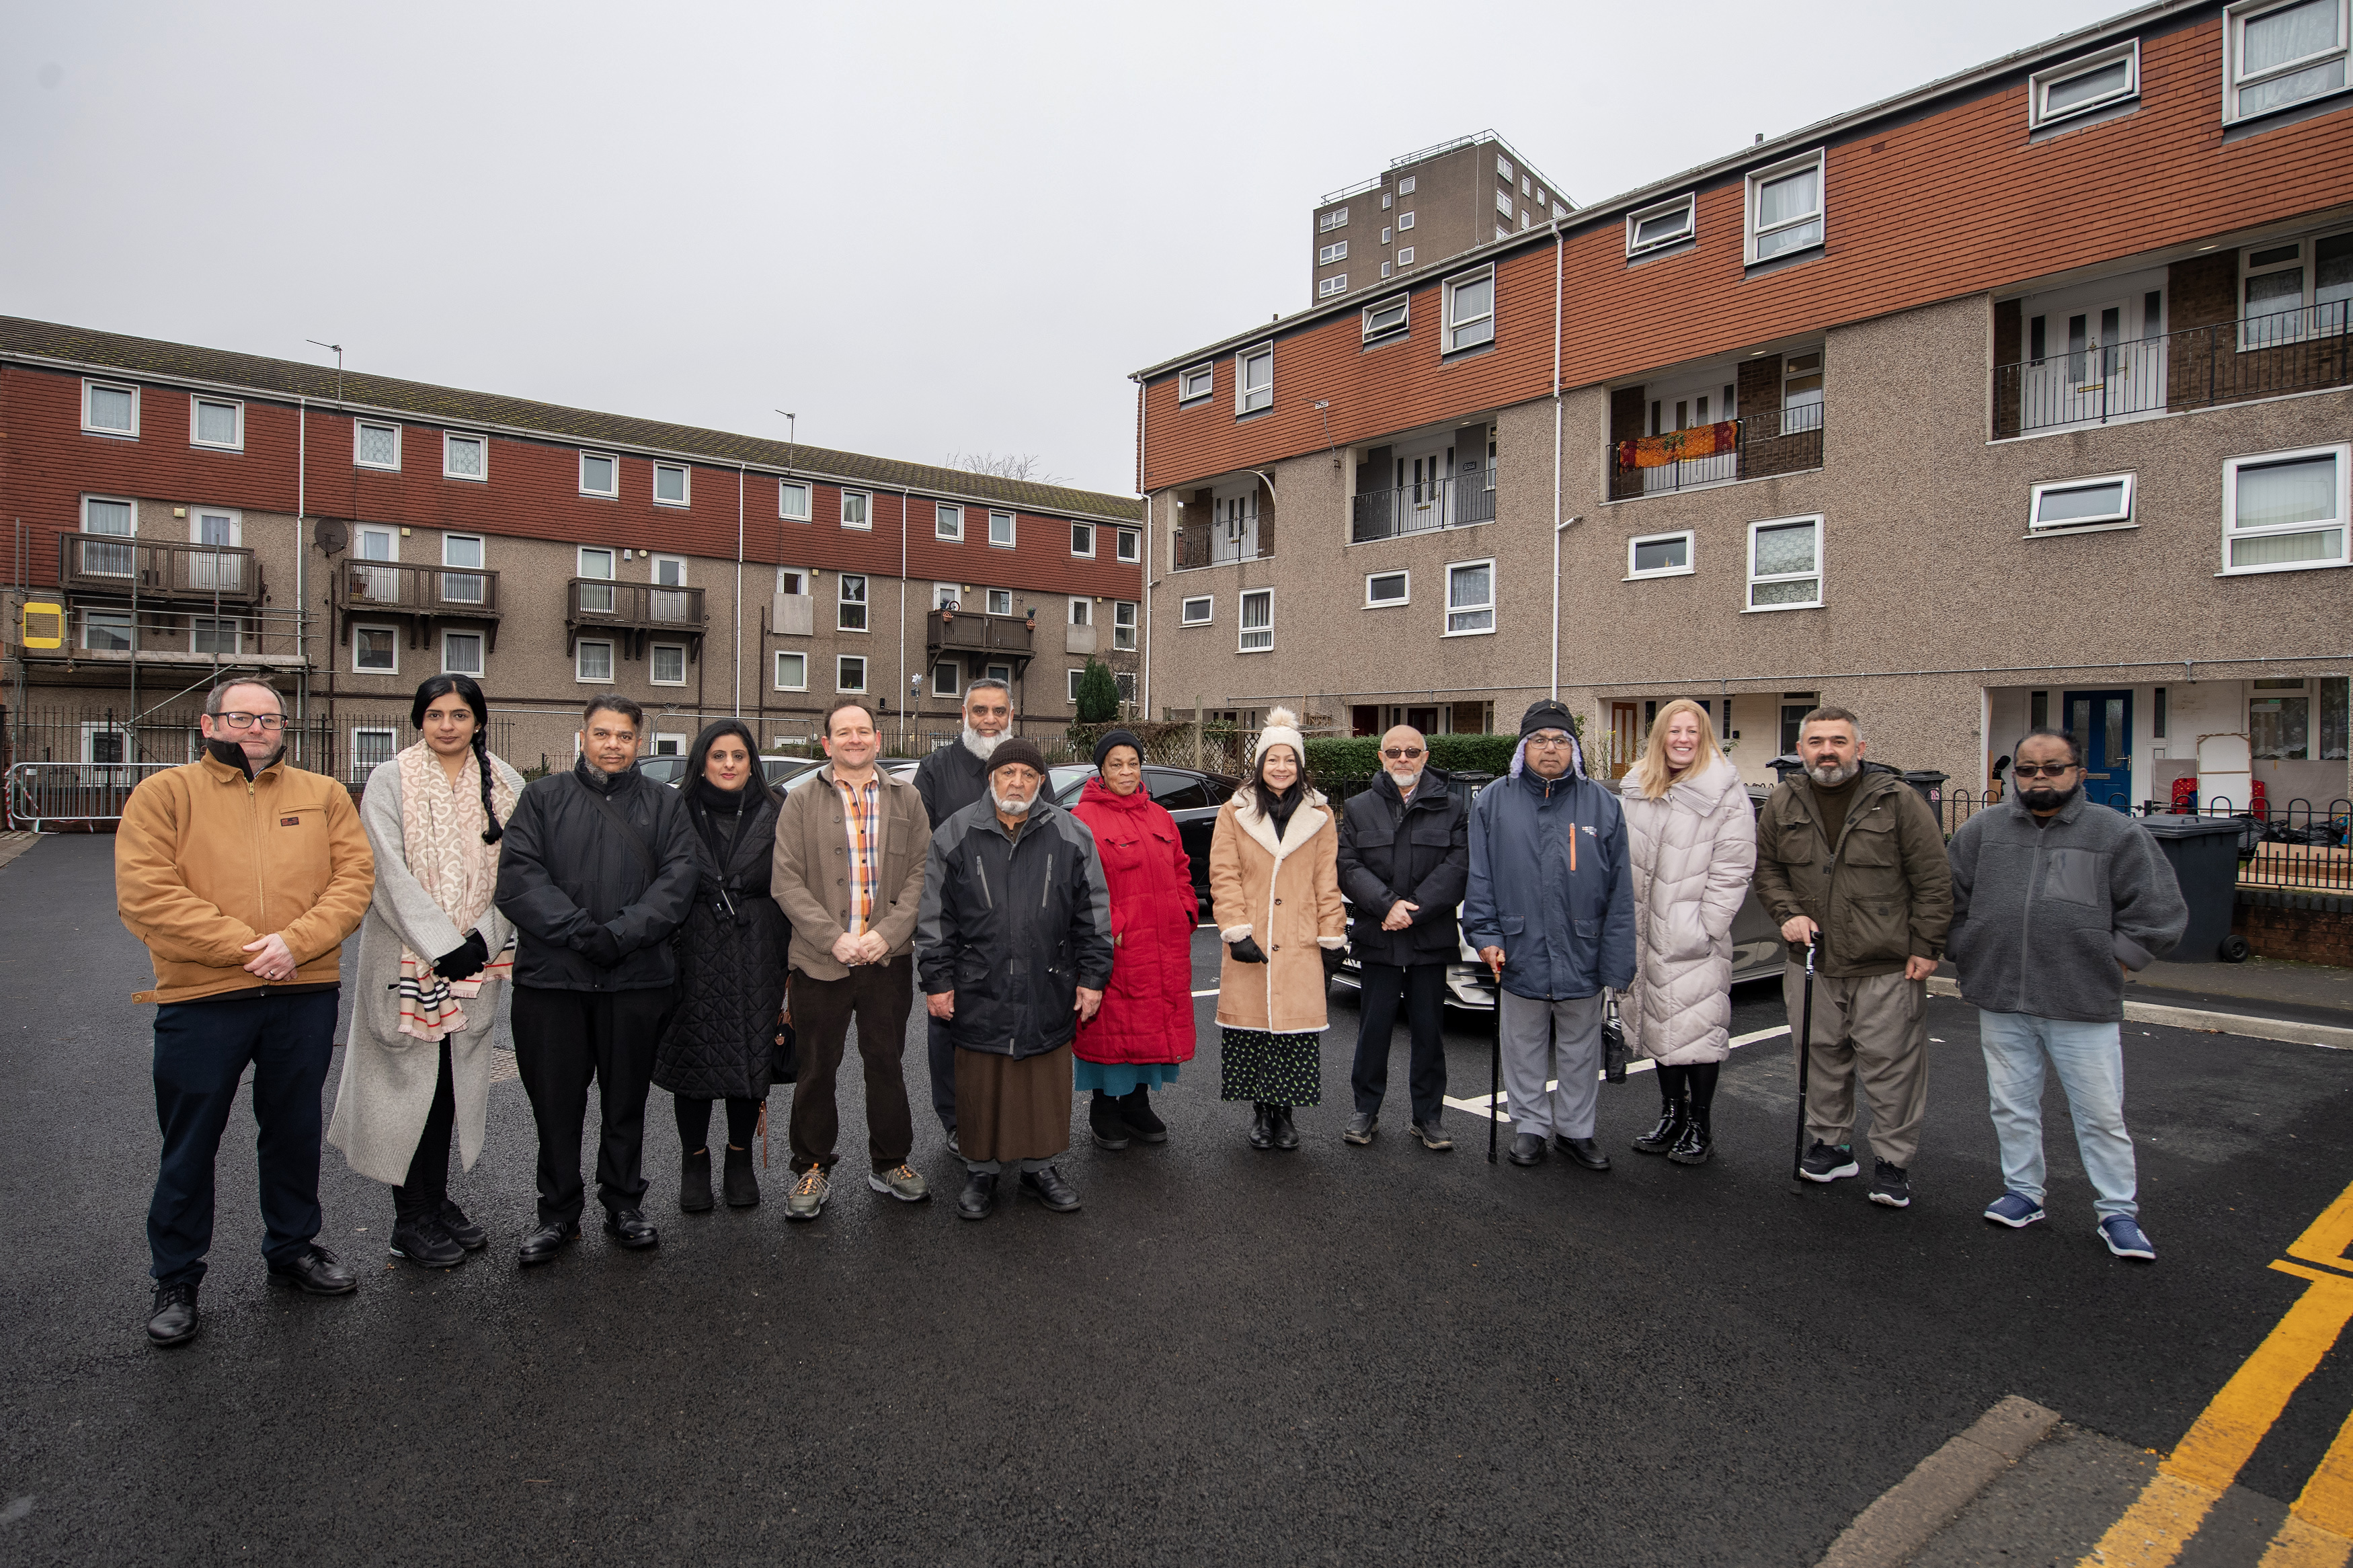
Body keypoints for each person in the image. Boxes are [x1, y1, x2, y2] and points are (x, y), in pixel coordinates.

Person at [116, 677, 374, 1348]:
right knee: (190, 1140)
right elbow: (147, 893)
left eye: (269, 718)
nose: (257, 727)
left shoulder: (323, 795)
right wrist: (248, 949)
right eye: (241, 716)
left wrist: (295, 944)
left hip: (302, 990)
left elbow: (353, 881)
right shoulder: (164, 795)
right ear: (208, 725)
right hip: (203, 997)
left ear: (284, 727)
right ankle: (177, 1276)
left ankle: (293, 1247)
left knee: (293, 1129)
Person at [1947, 728, 2186, 1260]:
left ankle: (2117, 1211)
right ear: (2014, 775)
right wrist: (1965, 946)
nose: (2040, 778)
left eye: (2053, 767)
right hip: (2001, 996)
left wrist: (2117, 959)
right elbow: (1949, 897)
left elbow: (2159, 911)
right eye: (2027, 769)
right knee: (2011, 1105)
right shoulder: (1983, 830)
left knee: (2099, 1114)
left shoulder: (2115, 833)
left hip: (2081, 1001)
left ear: (2078, 772)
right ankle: (2023, 1193)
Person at [327, 674, 523, 1270]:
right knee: (405, 1088)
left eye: (459, 714)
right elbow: (384, 870)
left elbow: (519, 870)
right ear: (419, 720)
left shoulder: (507, 783)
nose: (447, 725)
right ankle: (409, 1218)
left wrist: (483, 938)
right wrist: (442, 944)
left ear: (478, 721)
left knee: (447, 1088)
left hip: (476, 960)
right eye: (435, 714)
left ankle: (435, 1202)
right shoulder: (391, 780)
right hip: (407, 959)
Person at [495, 695, 699, 1263]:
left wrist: (622, 934)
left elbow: (680, 880)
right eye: (603, 733)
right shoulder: (541, 798)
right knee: (555, 1104)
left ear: (640, 742)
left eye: (625, 735)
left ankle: (624, 1203)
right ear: (582, 736)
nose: (614, 744)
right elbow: (519, 878)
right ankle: (558, 1213)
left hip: (636, 978)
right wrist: (584, 933)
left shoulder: (666, 803)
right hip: (553, 981)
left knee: (626, 1101)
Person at [1753, 706, 1952, 1209]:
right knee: (1818, 1057)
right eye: (1816, 741)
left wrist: (1927, 946)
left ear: (1859, 748)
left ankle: (1893, 1161)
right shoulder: (1784, 801)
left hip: (1885, 961)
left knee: (1892, 1067)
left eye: (1838, 741)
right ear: (1800, 750)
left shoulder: (1897, 800)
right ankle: (1832, 1145)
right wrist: (1787, 914)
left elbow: (1933, 877)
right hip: (1812, 959)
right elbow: (1768, 869)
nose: (1827, 751)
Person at [917, 739, 1113, 1219]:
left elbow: (1093, 914)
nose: (1017, 783)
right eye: (1008, 773)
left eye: (1028, 775)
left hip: (1048, 984)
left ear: (1042, 782)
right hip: (978, 986)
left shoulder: (1072, 833)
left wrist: (1093, 977)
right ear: (991, 779)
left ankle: (1039, 1168)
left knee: (1041, 1083)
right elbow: (935, 917)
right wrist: (937, 980)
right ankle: (980, 1171)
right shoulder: (954, 833)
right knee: (980, 1084)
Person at [770, 698, 932, 1220]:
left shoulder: (908, 798)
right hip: (820, 963)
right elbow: (785, 881)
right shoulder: (799, 801)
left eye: (863, 730)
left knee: (886, 1063)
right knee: (817, 1068)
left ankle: (891, 1161)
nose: (855, 739)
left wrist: (889, 933)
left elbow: (922, 873)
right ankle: (812, 1165)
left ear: (878, 739)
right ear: (827, 743)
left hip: (887, 960)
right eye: (843, 732)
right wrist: (831, 937)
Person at [1462, 700, 1635, 1172]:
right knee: (1522, 1046)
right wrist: (1485, 934)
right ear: (1523, 748)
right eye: (1539, 740)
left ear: (1574, 748)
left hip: (1583, 949)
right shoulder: (1493, 801)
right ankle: (1531, 1127)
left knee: (1581, 1049)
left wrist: (1618, 959)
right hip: (1519, 948)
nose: (1550, 749)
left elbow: (1621, 889)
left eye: (1560, 740)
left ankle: (1577, 1130)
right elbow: (1480, 878)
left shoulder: (1602, 804)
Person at [653, 720, 791, 1214]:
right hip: (692, 945)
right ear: (701, 762)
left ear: (752, 761)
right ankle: (694, 1161)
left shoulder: (778, 808)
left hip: (760, 945)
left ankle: (739, 1158)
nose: (729, 764)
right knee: (693, 1056)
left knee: (751, 1057)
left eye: (739, 755)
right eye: (718, 756)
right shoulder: (676, 809)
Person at [1618, 700, 1757, 1167]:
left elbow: (1734, 867)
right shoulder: (1639, 786)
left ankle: (1700, 1125)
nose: (1682, 739)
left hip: (1693, 939)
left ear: (1704, 737)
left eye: (1691, 731)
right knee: (1660, 1028)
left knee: (1697, 1034)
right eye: (1674, 730)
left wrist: (1705, 928)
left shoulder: (1724, 791)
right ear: (1661, 737)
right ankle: (1671, 1115)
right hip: (1645, 935)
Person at [1208, 708, 1347, 1151]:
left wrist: (1333, 934)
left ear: (1300, 765)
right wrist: (1236, 930)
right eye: (1273, 759)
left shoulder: (1320, 815)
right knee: (1254, 1033)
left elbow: (1327, 880)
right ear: (1260, 763)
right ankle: (1261, 1113)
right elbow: (1224, 875)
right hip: (1254, 935)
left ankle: (1284, 1115)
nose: (1281, 767)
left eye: (1290, 759)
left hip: (1300, 938)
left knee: (1292, 1032)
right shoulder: (1235, 812)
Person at [1335, 725, 1469, 1152]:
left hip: (1429, 938)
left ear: (1426, 756)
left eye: (1412, 751)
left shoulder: (1453, 807)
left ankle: (1428, 1116)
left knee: (1429, 1031)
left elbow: (1458, 867)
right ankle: (1365, 1110)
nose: (1403, 759)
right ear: (1381, 757)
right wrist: (1386, 905)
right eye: (1394, 752)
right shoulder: (1359, 808)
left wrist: (1413, 910)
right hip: (1380, 936)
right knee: (1373, 1029)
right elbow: (1348, 866)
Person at [1067, 729, 1198, 1149]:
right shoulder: (1083, 819)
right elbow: (1079, 885)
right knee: (1112, 1027)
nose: (1126, 772)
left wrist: (1185, 911)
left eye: (1133, 764)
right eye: (1116, 765)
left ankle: (1138, 1103)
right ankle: (1105, 1107)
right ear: (1101, 771)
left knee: (1151, 1025)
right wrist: (1114, 927)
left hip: (1163, 943)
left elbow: (1181, 868)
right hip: (1117, 947)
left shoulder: (1159, 816)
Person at [911, 677, 1014, 1149]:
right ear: (964, 715)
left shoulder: (1026, 768)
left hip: (1015, 925)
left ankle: (1010, 1119)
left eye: (999, 711)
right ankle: (956, 1120)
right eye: (980, 711)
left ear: (1011, 716)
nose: (990, 720)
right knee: (948, 1023)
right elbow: (919, 852)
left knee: (1013, 1023)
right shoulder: (935, 769)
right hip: (954, 928)